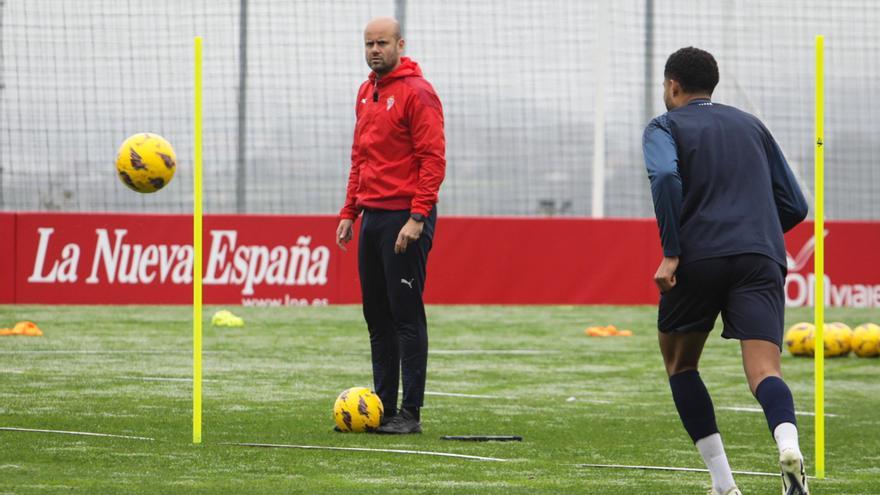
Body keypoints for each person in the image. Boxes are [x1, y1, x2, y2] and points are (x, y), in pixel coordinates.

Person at [643, 47, 810, 495]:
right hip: (760, 256)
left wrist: (672, 250)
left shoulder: (664, 125)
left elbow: (663, 178)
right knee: (764, 372)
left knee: (680, 365)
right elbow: (796, 204)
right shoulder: (751, 124)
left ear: (673, 86)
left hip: (697, 256)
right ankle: (789, 446)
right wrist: (756, 231)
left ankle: (724, 484)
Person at [335, 16, 446, 434]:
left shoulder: (419, 93)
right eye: (368, 44)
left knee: (405, 316)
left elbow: (433, 160)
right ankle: (380, 409)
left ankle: (410, 414)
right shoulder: (366, 92)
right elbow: (359, 157)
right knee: (376, 317)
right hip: (372, 217)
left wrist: (417, 217)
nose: (374, 50)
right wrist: (349, 212)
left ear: (400, 44)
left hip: (405, 218)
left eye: (382, 43)